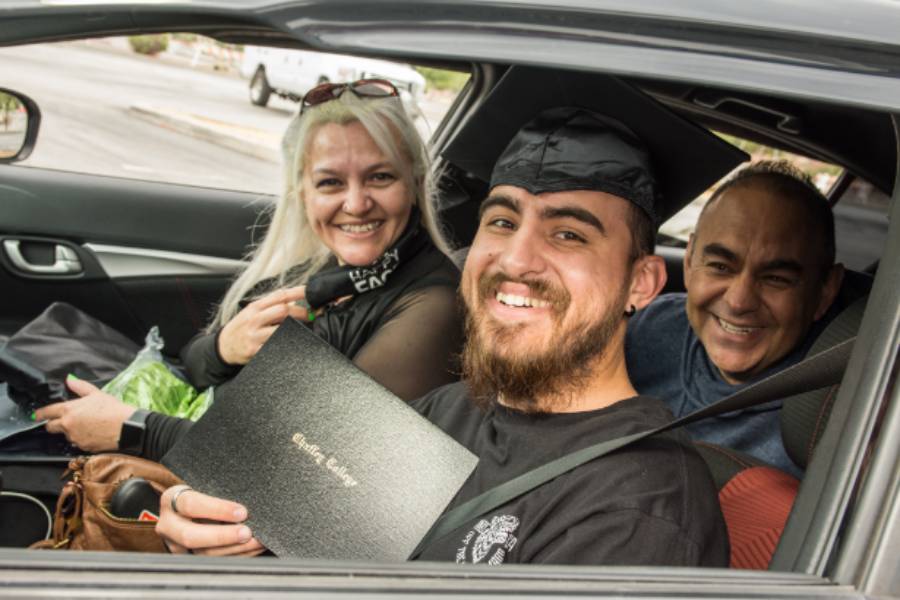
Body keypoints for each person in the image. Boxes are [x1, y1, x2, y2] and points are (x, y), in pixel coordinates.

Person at [155, 100, 733, 567]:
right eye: (502, 221)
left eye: (569, 235)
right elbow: (285, 534)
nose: (515, 259)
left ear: (642, 282)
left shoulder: (640, 509)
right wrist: (197, 524)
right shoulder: (445, 411)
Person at [34, 79, 463, 458]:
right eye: (330, 182)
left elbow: (325, 467)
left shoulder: (433, 304)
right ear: (303, 193)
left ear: (414, 182)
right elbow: (196, 365)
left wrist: (132, 429)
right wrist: (224, 347)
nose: (355, 204)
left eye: (380, 177)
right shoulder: (333, 274)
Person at [626, 161, 845, 476]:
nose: (739, 301)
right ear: (689, 262)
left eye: (776, 278)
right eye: (719, 266)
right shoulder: (649, 328)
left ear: (826, 290)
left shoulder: (833, 414)